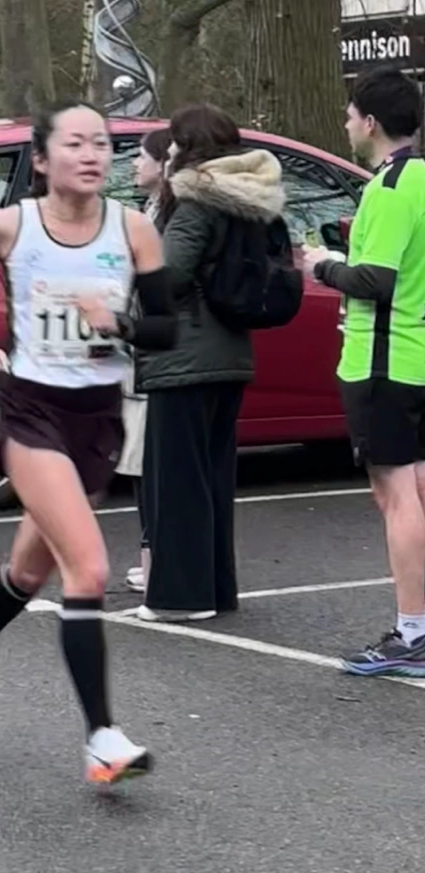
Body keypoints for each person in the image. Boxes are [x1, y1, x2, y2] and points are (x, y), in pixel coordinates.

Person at [0, 99, 176, 784]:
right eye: (75, 143)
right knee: (89, 570)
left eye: (101, 143)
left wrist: (118, 322)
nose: (92, 154)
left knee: (31, 570)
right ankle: (101, 738)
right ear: (41, 159)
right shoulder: (7, 227)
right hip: (31, 413)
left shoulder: (133, 231)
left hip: (96, 418)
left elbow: (168, 330)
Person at [135, 103, 286, 622]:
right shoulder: (250, 198)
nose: (168, 150)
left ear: (191, 146)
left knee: (176, 478)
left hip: (185, 352)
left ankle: (181, 596)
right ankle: (218, 588)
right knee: (213, 477)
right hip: (230, 352)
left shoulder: (195, 198)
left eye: (174, 142)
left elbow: (170, 273)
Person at [304, 65, 425, 677]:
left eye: (352, 115)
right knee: (418, 492)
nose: (347, 123)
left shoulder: (388, 187)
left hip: (385, 360)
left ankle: (412, 633)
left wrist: (324, 265)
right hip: (418, 356)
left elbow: (375, 280)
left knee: (396, 495)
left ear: (371, 122)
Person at [116, 127, 170, 595]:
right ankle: (149, 553)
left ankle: (156, 556)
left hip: (150, 356)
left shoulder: (163, 218)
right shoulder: (148, 213)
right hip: (135, 354)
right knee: (138, 461)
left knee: (147, 461)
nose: (135, 164)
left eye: (142, 156)